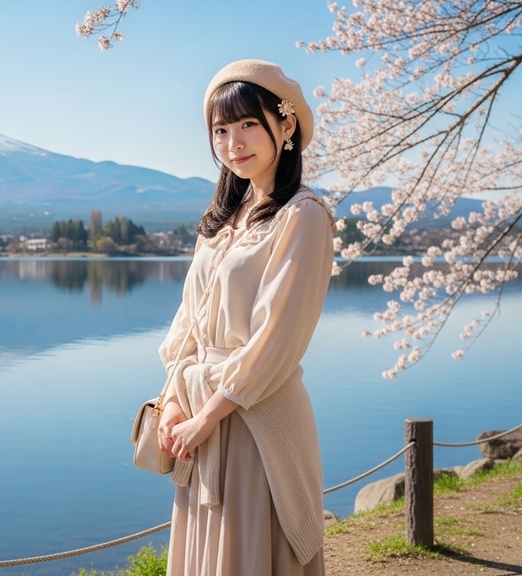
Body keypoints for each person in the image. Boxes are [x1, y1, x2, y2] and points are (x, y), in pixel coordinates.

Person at [156, 59, 333, 575]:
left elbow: (278, 337)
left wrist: (206, 417)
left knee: (250, 552)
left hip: (257, 417)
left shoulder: (302, 216)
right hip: (198, 417)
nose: (233, 142)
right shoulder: (219, 223)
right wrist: (172, 402)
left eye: (249, 124)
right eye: (221, 130)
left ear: (286, 125)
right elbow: (187, 323)